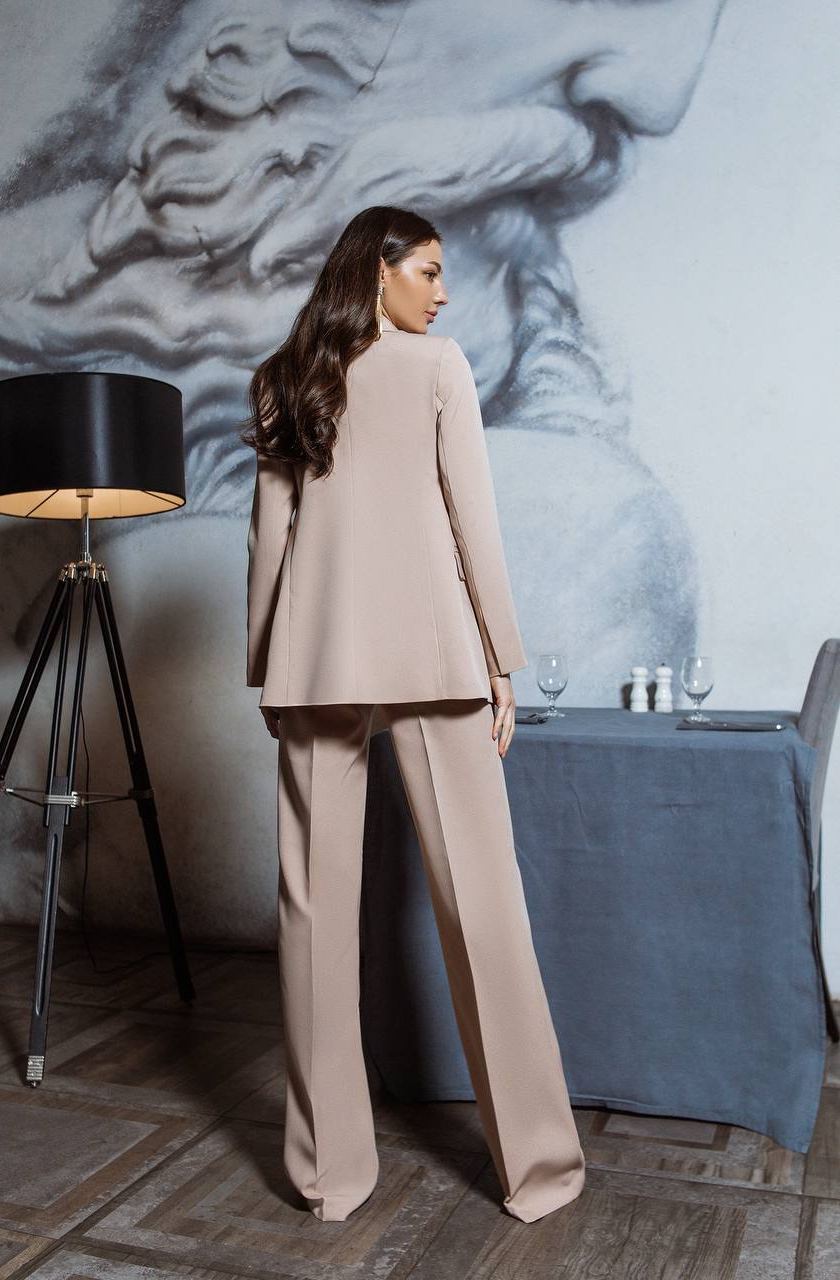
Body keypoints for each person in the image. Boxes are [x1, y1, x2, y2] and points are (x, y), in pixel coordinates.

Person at [243, 205, 585, 1223]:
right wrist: (502, 660)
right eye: (428, 271)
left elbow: (269, 542)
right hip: (436, 652)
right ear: (378, 268)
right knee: (483, 906)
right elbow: (469, 515)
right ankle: (537, 1170)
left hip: (314, 661)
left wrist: (266, 664)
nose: (442, 292)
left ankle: (327, 1176)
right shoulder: (437, 367)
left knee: (311, 920)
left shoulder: (282, 376)